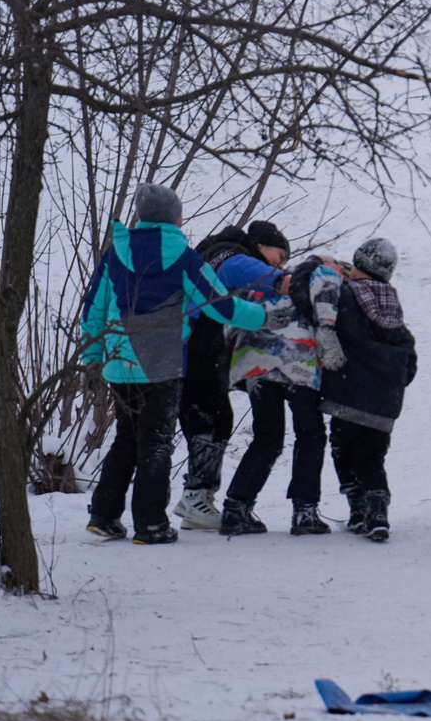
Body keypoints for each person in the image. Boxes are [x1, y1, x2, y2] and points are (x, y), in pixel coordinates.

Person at [77, 184, 271, 545]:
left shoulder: (115, 253)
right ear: (176, 219)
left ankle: (104, 516)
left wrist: (91, 359)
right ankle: (150, 524)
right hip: (162, 364)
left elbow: (93, 309)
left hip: (120, 364)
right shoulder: (183, 257)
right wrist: (262, 316)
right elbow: (220, 305)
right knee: (156, 442)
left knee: (126, 439)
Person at [221, 239, 347, 537]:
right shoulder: (324, 271)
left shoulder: (270, 278)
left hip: (255, 362)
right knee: (310, 435)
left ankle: (235, 508)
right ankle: (304, 512)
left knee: (267, 437)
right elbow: (327, 291)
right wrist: (328, 330)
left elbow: (239, 310)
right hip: (297, 362)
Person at [175, 218, 288, 530]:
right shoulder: (234, 256)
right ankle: (196, 497)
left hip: (185, 348)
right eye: (280, 256)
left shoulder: (213, 251)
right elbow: (257, 274)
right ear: (262, 246)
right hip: (196, 349)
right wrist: (293, 280)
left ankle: (196, 502)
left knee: (208, 415)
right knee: (211, 418)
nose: (280, 263)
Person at [323, 238, 418, 543]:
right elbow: (409, 360)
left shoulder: (347, 297)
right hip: (382, 403)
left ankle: (357, 507)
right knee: (372, 457)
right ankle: (377, 511)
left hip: (349, 395)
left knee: (343, 450)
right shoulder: (392, 305)